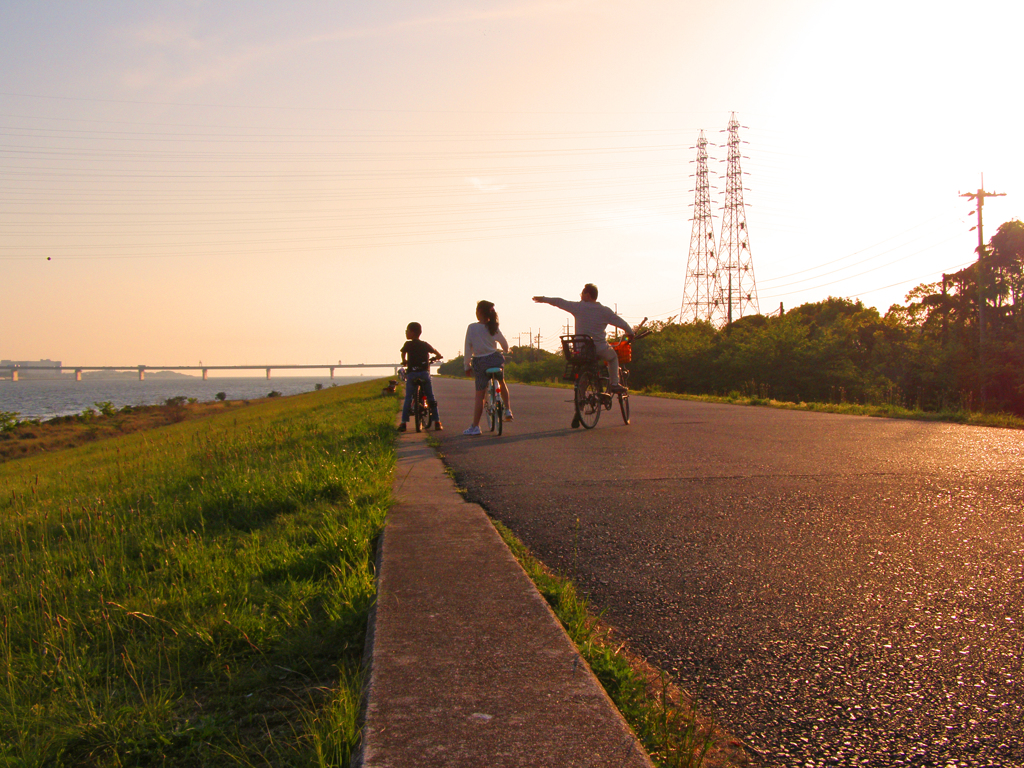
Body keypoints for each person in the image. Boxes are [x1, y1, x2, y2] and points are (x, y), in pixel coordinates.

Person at [533, 282, 634, 393]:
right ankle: (614, 383)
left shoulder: (578, 307)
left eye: (582, 293)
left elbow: (559, 302)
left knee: (584, 367)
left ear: (587, 295)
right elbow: (622, 323)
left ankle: (580, 399)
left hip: (582, 349)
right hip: (600, 348)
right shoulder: (605, 311)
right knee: (613, 357)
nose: (580, 296)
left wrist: (543, 299)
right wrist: (630, 333)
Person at [463, 300, 513, 435]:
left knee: (480, 395)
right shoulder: (493, 327)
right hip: (495, 359)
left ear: (479, 312)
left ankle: (475, 427)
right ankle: (508, 409)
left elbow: (468, 348)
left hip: (480, 362)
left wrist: (466, 365)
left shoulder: (472, 327)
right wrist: (507, 351)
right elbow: (505, 345)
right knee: (502, 382)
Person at [399, 322, 443, 432]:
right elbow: (436, 353)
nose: (406, 333)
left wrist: (404, 361)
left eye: (407, 331)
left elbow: (403, 353)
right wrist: (437, 357)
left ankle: (403, 423)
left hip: (412, 373)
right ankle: (437, 422)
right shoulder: (424, 344)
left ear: (412, 333)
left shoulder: (408, 344)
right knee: (431, 397)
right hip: (424, 373)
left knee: (408, 397)